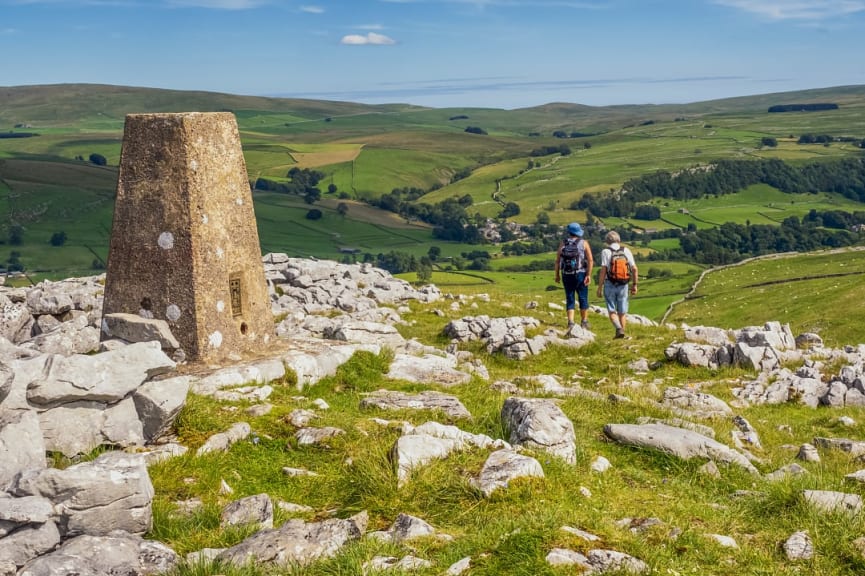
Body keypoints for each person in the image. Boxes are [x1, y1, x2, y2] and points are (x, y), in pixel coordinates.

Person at [596, 230, 638, 339]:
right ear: (619, 240)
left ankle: (619, 329)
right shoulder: (626, 250)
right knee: (622, 312)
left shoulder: (605, 251)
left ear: (607, 241)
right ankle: (622, 335)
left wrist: (600, 287)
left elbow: (603, 270)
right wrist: (634, 284)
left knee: (611, 309)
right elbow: (634, 268)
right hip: (624, 284)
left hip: (610, 284)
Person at [555, 222, 593, 330]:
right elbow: (590, 260)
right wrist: (588, 275)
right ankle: (584, 322)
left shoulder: (563, 243)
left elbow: (557, 261)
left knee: (570, 297)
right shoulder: (584, 243)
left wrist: (557, 275)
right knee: (583, 297)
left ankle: (571, 322)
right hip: (580, 273)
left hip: (566, 274)